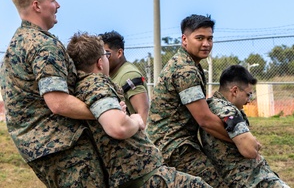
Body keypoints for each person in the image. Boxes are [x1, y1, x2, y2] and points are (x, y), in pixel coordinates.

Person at [0, 0, 107, 187]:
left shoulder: (17, 43)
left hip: (40, 148)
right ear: (37, 6)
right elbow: (58, 102)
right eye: (53, 0)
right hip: (64, 147)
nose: (58, 5)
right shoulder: (43, 46)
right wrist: (105, 112)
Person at [67, 31, 212, 188]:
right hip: (142, 172)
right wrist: (134, 120)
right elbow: (119, 127)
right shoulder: (96, 83)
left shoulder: (79, 87)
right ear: (100, 63)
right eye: (105, 55)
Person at [147, 14, 229, 188]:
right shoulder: (185, 70)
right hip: (173, 147)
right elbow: (205, 120)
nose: (206, 44)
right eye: (199, 38)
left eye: (210, 38)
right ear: (184, 39)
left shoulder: (190, 63)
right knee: (216, 183)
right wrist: (239, 139)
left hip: (176, 144)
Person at [200, 65, 290, 188]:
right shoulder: (226, 110)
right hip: (249, 179)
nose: (249, 100)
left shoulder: (212, 105)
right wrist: (254, 144)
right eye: (248, 95)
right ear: (235, 91)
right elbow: (250, 150)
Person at [100, 31, 149, 125]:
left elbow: (143, 112)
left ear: (119, 53)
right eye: (101, 55)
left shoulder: (129, 75)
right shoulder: (110, 73)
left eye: (107, 54)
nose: (103, 58)